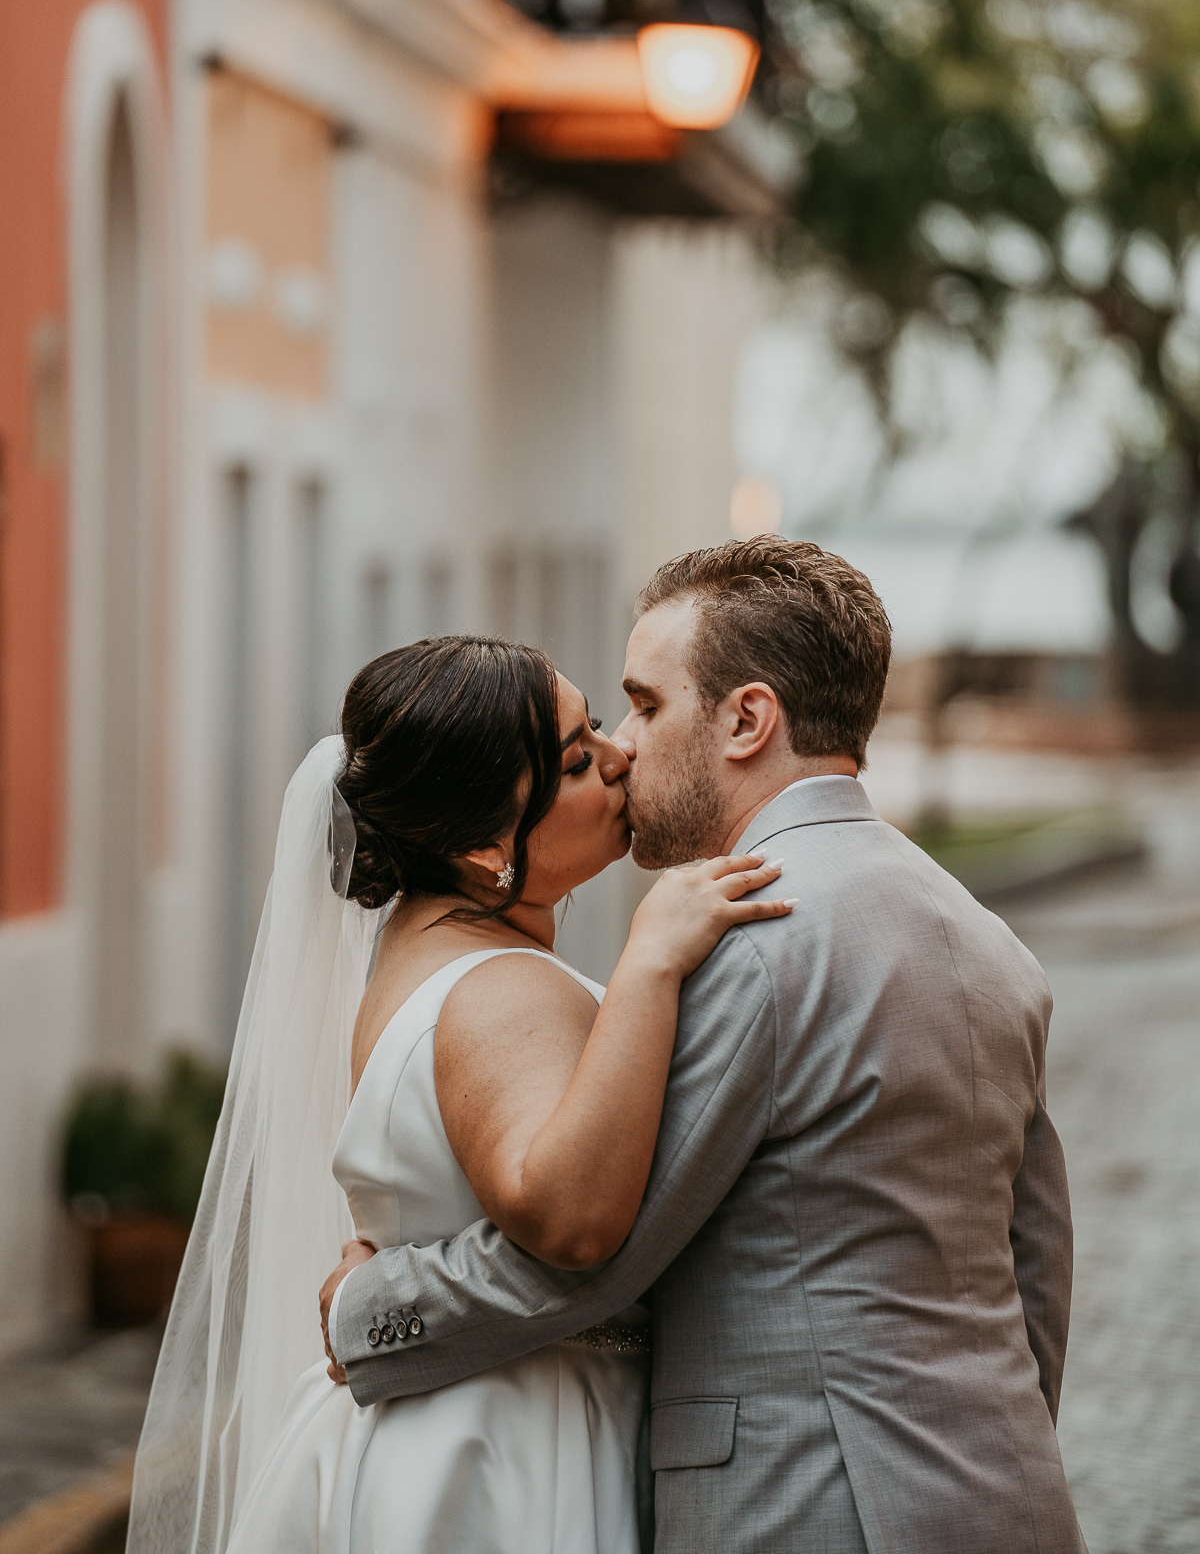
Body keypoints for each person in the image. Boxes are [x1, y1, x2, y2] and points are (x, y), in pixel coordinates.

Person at [325, 535, 1088, 1554]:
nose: (623, 746)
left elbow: (600, 1254)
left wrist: (369, 1310)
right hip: (1007, 1494)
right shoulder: (990, 943)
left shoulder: (749, 938)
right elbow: (1036, 1264)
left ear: (746, 720)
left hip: (811, 1503)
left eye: (643, 705)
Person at [127, 633, 792, 1554]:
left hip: (435, 1422)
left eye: (598, 724)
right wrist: (647, 965)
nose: (618, 755)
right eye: (574, 760)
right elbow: (572, 1224)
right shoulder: (499, 987)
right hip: (509, 1453)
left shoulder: (423, 945)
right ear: (486, 847)